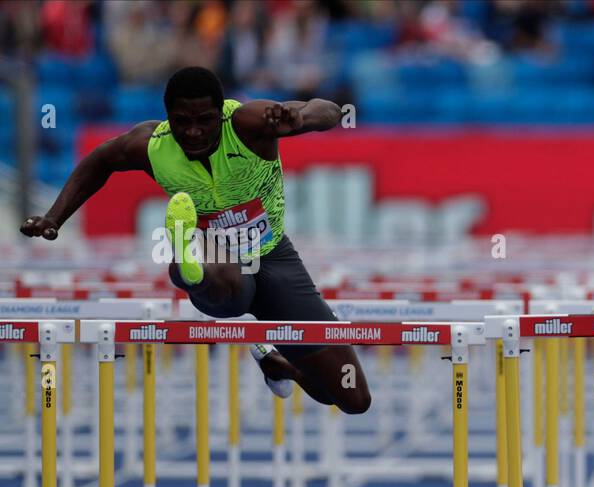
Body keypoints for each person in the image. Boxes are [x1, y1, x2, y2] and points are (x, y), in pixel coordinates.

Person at [20, 66, 370, 413]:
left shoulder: (250, 123)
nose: (193, 131)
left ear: (222, 114)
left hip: (275, 259)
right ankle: (187, 262)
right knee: (220, 275)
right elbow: (99, 161)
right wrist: (55, 217)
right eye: (181, 121)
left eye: (205, 120)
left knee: (348, 396)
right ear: (167, 117)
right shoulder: (152, 145)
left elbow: (328, 110)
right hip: (220, 266)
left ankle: (277, 363)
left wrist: (298, 116)